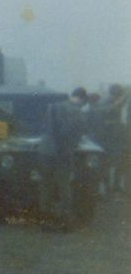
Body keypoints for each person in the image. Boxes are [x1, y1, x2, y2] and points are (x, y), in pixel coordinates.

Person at [39, 87, 88, 224]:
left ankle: (45, 214)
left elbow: (45, 127)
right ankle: (64, 216)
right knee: (64, 185)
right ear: (82, 99)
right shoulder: (78, 112)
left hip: (46, 150)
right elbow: (74, 134)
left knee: (46, 183)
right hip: (63, 153)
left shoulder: (52, 107)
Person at [99, 84, 127, 194]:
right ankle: (108, 187)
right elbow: (104, 112)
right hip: (109, 137)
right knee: (108, 163)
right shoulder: (107, 101)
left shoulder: (116, 101)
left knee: (119, 162)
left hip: (116, 136)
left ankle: (115, 186)